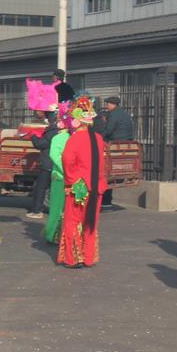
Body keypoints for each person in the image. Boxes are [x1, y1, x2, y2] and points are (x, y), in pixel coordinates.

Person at [56, 96, 106, 267]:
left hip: (79, 186)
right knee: (90, 222)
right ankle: (89, 257)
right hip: (96, 186)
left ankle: (73, 258)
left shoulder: (75, 138)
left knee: (72, 221)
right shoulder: (98, 138)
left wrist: (71, 180)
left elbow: (67, 159)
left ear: (77, 120)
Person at [98, 96, 134, 207]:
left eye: (108, 104)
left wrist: (98, 137)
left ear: (113, 104)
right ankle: (107, 200)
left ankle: (105, 199)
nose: (107, 106)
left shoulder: (114, 114)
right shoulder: (124, 114)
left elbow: (109, 130)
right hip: (126, 143)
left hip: (115, 142)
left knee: (104, 168)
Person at [43, 111, 71, 244]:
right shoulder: (72, 137)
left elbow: (54, 156)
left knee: (56, 207)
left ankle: (53, 233)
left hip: (60, 176)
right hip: (72, 177)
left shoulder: (58, 138)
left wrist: (65, 169)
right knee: (67, 208)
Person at [27, 109, 59, 219]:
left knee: (41, 188)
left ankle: (37, 211)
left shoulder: (52, 131)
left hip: (48, 163)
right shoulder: (59, 131)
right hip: (55, 164)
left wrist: (33, 136)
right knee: (53, 188)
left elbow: (41, 144)